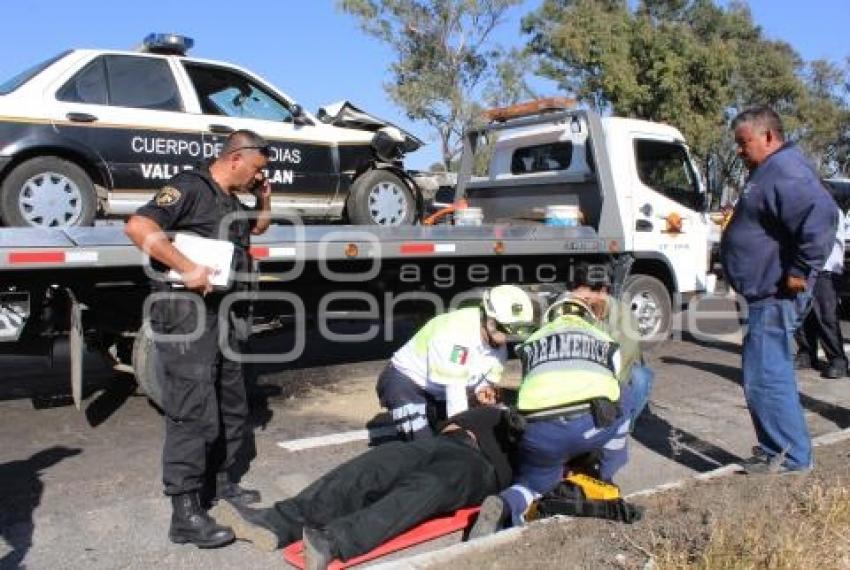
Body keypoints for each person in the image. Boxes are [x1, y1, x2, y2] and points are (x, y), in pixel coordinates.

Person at [125, 130, 273, 548]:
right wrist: (187, 267)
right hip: (186, 311)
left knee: (231, 401)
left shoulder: (232, 200)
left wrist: (264, 196)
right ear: (234, 159)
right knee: (192, 408)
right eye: (257, 169)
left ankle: (220, 483)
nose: (259, 177)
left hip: (222, 311)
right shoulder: (189, 187)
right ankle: (185, 512)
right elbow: (139, 226)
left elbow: (259, 228)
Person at [209, 406, 525, 568]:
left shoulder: (558, 427)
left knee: (428, 486)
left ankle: (334, 542)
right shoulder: (515, 395)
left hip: (483, 465)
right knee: (374, 466)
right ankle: (279, 522)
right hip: (447, 438)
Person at [468, 262, 654, 537]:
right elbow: (612, 385)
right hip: (588, 420)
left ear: (602, 292)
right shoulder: (601, 338)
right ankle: (601, 474)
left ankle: (507, 503)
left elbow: (532, 377)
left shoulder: (538, 339)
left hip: (539, 430)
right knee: (620, 404)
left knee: (534, 483)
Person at [720, 106, 837, 474]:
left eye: (744, 142)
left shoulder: (785, 169)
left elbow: (823, 215)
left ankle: (788, 459)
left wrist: (801, 269)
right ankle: (782, 452)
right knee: (769, 371)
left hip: (775, 293)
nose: (740, 150)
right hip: (765, 293)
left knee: (766, 376)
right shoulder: (770, 170)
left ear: (768, 136)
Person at [376, 284, 535, 440]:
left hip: (438, 391)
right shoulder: (454, 335)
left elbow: (482, 386)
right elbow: (455, 392)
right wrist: (461, 432)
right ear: (487, 316)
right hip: (404, 381)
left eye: (517, 328)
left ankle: (434, 416)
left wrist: (482, 393)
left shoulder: (500, 348)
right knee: (427, 447)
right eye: (505, 328)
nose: (509, 336)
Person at [795, 201, 848, 378]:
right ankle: (806, 353)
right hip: (802, 267)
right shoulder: (802, 208)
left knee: (825, 316)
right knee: (803, 313)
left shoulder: (829, 209)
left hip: (824, 268)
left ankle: (837, 359)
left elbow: (820, 240)